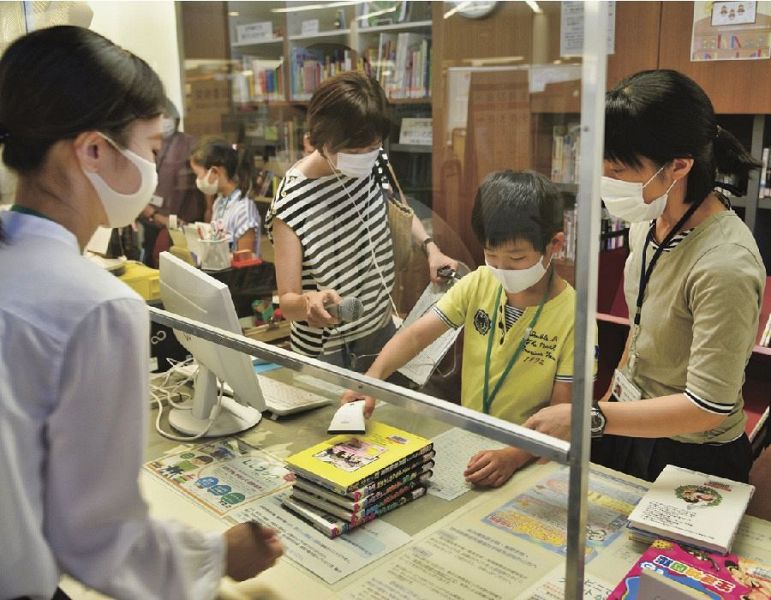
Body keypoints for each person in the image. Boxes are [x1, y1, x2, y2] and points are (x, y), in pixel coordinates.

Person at [0, 26, 282, 599]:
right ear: (95, 150)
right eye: (152, 150)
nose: (157, 170)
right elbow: (97, 538)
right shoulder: (95, 307)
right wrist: (216, 556)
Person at [525, 69, 765, 484]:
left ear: (678, 166)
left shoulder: (726, 264)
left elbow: (707, 405)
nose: (606, 184)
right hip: (629, 425)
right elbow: (638, 333)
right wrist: (604, 409)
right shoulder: (648, 223)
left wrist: (591, 418)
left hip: (694, 455)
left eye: (617, 172)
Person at [341, 170, 587, 488]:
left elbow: (559, 412)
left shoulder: (573, 316)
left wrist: (512, 455)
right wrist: (371, 380)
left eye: (516, 258)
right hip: (469, 441)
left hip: (528, 456)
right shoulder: (479, 283)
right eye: (491, 255)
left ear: (554, 244)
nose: (501, 269)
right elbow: (416, 335)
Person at [266, 71, 457, 370]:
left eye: (373, 147)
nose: (366, 157)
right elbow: (288, 300)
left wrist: (431, 248)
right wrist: (309, 303)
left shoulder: (370, 161)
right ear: (320, 139)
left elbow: (394, 204)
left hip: (380, 327)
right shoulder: (292, 202)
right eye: (355, 151)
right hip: (329, 349)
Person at [138, 97, 205, 268]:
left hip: (185, 224)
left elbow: (203, 180)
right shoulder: (141, 144)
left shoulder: (189, 144)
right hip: (151, 222)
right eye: (161, 117)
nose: (164, 121)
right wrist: (152, 214)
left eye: (167, 117)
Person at [189, 136, 261, 256]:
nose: (198, 180)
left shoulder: (243, 210)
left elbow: (246, 260)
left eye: (198, 175)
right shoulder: (219, 202)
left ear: (215, 172)